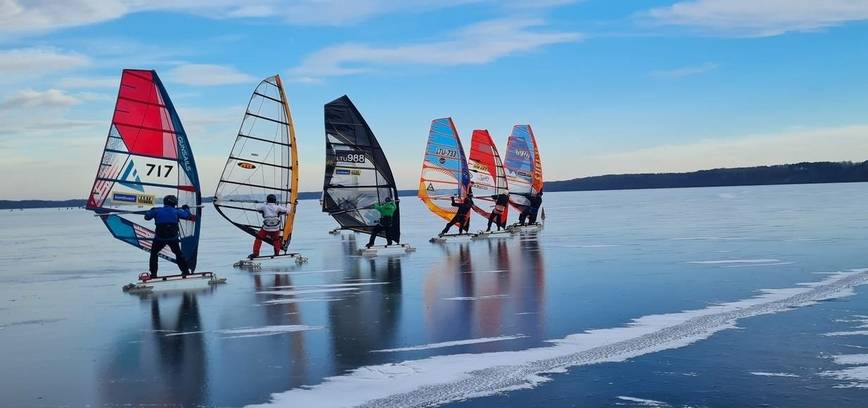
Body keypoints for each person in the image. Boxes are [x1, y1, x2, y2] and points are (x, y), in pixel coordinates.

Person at [144, 195, 195, 278]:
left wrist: (150, 211)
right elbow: (187, 216)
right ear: (173, 203)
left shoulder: (157, 210)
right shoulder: (177, 211)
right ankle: (185, 271)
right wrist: (186, 208)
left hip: (160, 238)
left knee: (153, 254)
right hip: (173, 238)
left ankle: (153, 274)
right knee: (178, 254)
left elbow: (147, 217)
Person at [249, 194, 287, 259]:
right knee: (276, 239)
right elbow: (287, 211)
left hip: (266, 229)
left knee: (258, 237)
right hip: (275, 229)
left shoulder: (264, 207)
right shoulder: (278, 207)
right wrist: (289, 205)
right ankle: (277, 253)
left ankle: (255, 254)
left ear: (267, 200)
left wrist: (264, 204)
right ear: (274, 200)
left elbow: (257, 208)